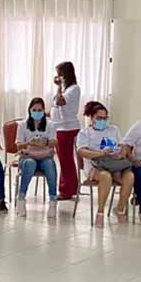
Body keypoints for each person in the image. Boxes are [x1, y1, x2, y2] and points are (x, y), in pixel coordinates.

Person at [77, 101, 133, 227]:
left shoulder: (114, 129)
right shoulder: (85, 133)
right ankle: (100, 212)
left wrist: (121, 154)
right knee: (105, 176)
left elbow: (123, 145)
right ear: (91, 118)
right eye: (99, 118)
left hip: (115, 164)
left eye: (105, 118)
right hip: (95, 165)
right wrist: (101, 153)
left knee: (130, 177)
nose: (102, 121)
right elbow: (82, 151)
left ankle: (120, 209)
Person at [15, 97, 58, 218]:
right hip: (27, 156)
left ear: (44, 111)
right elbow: (18, 145)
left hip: (44, 156)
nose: (37, 112)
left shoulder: (50, 124)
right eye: (34, 110)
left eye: (40, 110)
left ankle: (53, 201)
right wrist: (31, 143)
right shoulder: (23, 125)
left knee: (50, 165)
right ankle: (21, 199)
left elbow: (53, 142)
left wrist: (44, 142)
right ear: (29, 110)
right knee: (30, 163)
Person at [52, 61, 82, 200]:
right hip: (60, 126)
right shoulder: (66, 89)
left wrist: (58, 88)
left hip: (67, 128)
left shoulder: (73, 89)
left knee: (66, 160)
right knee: (65, 160)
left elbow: (60, 102)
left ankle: (67, 190)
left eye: (60, 74)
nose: (58, 77)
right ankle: (70, 187)